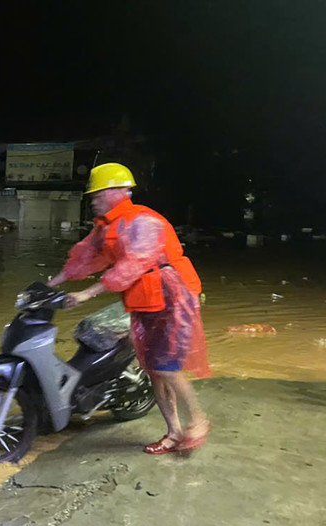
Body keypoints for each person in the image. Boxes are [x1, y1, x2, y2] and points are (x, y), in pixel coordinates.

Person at [48, 163, 211, 455]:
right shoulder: (106, 227)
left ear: (117, 192)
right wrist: (51, 284)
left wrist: (88, 293)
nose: (93, 199)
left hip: (174, 294)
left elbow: (133, 264)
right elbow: (85, 259)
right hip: (143, 299)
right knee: (154, 370)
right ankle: (173, 432)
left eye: (98, 194)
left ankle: (198, 421)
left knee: (167, 367)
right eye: (92, 195)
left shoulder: (143, 221)